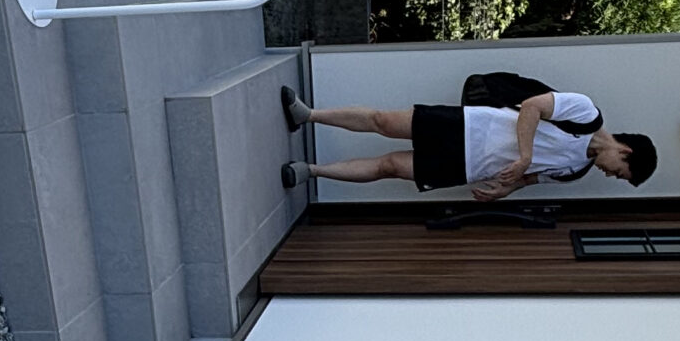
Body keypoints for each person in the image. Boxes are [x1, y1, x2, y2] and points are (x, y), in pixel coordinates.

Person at [281, 82, 657, 199]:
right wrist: (526, 155)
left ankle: (310, 171)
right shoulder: (586, 113)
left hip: (467, 167)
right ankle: (308, 114)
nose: (611, 175)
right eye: (620, 172)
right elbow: (531, 107)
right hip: (468, 125)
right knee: (383, 121)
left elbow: (529, 179)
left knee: (388, 167)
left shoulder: (576, 171)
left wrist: (504, 189)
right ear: (625, 151)